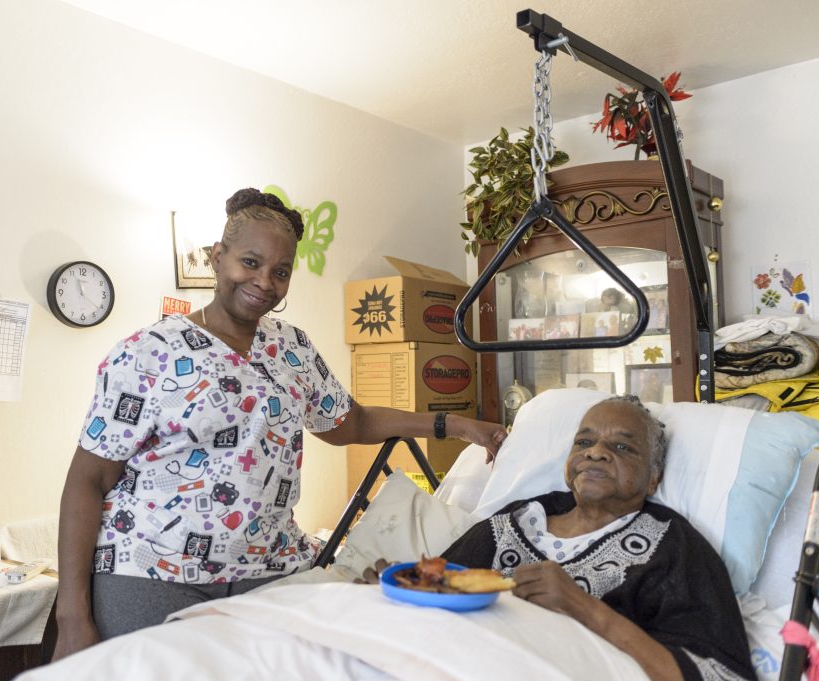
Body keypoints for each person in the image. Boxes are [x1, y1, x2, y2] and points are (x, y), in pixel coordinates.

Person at [52, 187, 508, 661]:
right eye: (250, 262)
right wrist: (72, 615)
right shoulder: (147, 352)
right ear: (216, 256)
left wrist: (455, 424)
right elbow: (87, 481)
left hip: (270, 569)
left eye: (281, 271)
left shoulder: (291, 348)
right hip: (152, 572)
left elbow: (351, 422)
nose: (265, 282)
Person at [365, 396, 754, 681]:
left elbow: (719, 675)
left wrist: (581, 605)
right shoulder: (515, 522)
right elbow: (439, 593)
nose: (596, 453)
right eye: (584, 442)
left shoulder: (670, 546)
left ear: (653, 477)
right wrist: (393, 594)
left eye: (622, 447)